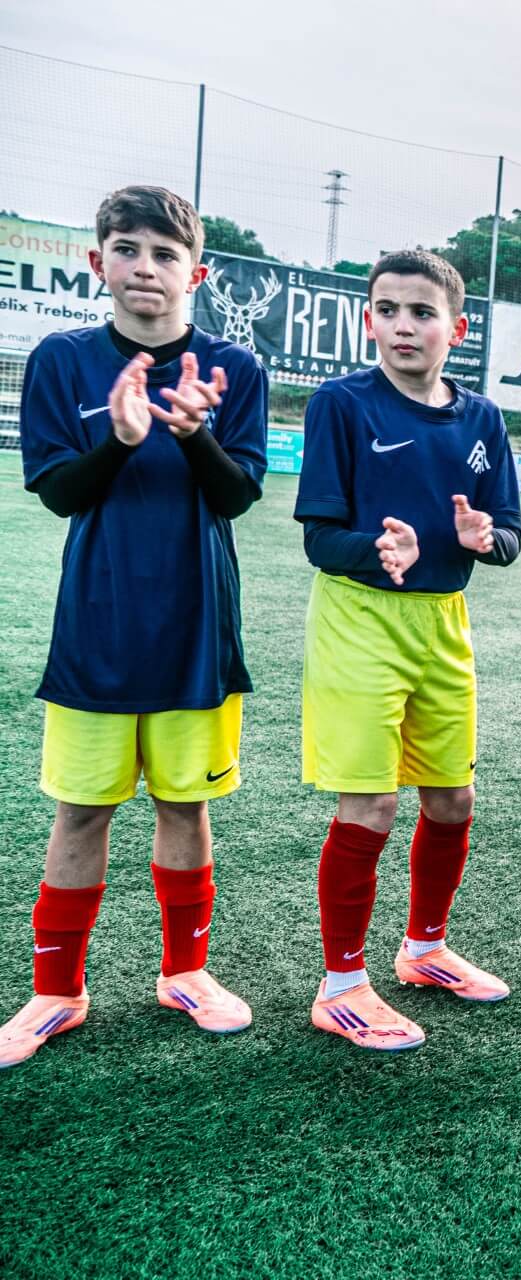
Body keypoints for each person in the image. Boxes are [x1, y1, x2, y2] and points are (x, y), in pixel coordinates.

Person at [2, 185, 267, 1069]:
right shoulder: (62, 360)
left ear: (198, 273)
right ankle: (56, 990)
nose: (144, 267)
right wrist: (118, 440)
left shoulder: (234, 366)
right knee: (81, 809)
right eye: (126, 249)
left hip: (197, 625)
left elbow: (237, 494)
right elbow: (57, 493)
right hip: (98, 624)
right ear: (98, 261)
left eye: (163, 253)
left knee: (186, 805)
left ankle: (185, 974)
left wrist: (191, 433)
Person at [297, 249, 521, 1050]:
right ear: (369, 321)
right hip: (358, 619)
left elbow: (508, 534)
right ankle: (341, 985)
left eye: (422, 312)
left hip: (444, 624)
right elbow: (321, 538)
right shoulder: (341, 405)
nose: (403, 325)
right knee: (371, 804)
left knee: (451, 799)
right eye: (388, 310)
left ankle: (424, 949)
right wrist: (376, 549)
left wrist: (485, 538)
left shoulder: (482, 419)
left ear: (456, 329)